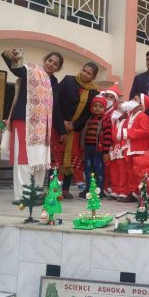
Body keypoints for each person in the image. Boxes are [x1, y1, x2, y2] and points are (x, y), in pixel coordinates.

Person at [2, 49, 65, 201]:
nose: (51, 64)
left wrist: (61, 129)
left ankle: (35, 194)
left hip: (42, 126)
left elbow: (55, 107)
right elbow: (16, 69)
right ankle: (23, 196)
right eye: (50, 60)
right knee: (24, 158)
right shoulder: (31, 71)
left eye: (55, 64)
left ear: (58, 68)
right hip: (23, 120)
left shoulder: (54, 82)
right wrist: (7, 54)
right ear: (45, 60)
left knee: (40, 160)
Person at [55, 62, 100, 199]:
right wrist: (61, 122)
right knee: (56, 159)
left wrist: (74, 125)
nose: (84, 74)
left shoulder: (94, 92)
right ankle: (53, 188)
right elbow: (55, 100)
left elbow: (88, 114)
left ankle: (65, 189)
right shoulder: (68, 80)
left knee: (70, 159)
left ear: (93, 77)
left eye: (88, 73)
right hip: (59, 125)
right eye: (83, 70)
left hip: (75, 130)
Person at [118, 96, 149, 202]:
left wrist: (128, 132)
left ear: (141, 105)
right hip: (130, 148)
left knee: (141, 173)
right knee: (131, 172)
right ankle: (133, 192)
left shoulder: (143, 116)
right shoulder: (130, 116)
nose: (132, 100)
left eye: (136, 99)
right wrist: (124, 145)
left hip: (140, 149)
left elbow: (145, 131)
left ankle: (143, 193)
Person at [79, 95, 112, 196]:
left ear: (104, 108)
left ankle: (99, 190)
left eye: (100, 106)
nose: (97, 108)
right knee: (88, 170)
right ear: (91, 107)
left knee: (99, 170)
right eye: (95, 106)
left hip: (99, 150)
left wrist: (106, 152)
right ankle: (89, 189)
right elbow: (83, 136)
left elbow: (107, 137)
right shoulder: (89, 120)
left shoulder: (106, 120)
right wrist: (82, 151)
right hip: (88, 149)